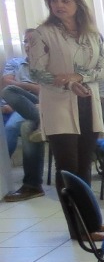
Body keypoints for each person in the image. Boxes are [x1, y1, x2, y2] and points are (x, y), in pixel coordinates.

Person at [29, 0, 104, 232]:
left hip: (88, 101)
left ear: (77, 4)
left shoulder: (92, 34)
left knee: (84, 164)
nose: (59, 5)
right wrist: (67, 84)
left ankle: (92, 223)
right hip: (58, 104)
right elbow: (36, 72)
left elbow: (103, 69)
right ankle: (77, 228)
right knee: (68, 168)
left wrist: (78, 78)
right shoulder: (42, 34)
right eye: (54, 1)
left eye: (65, 0)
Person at [2, 29, 46, 203]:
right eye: (26, 42)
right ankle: (41, 119)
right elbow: (6, 83)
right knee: (9, 91)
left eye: (32, 42)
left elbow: (46, 89)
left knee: (19, 126)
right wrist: (30, 86)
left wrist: (25, 86)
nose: (28, 46)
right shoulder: (15, 62)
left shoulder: (47, 63)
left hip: (45, 103)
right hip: (21, 104)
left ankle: (31, 185)